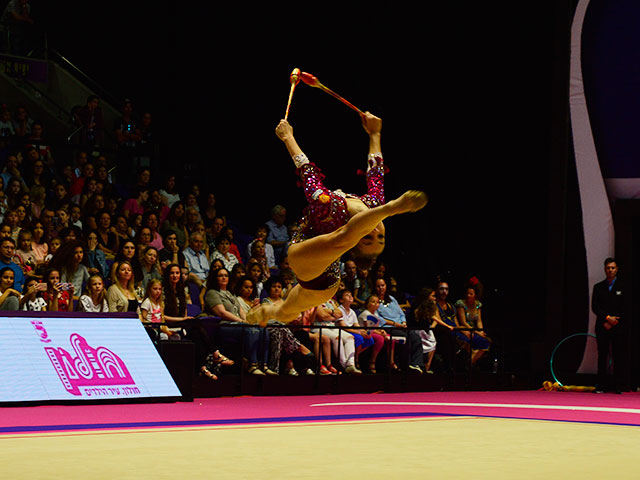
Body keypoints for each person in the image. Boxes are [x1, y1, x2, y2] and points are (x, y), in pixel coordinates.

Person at [247, 113, 427, 327]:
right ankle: (270, 311)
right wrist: (375, 134)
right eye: (380, 237)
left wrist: (288, 137)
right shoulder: (372, 205)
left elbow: (307, 172)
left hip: (308, 259)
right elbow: (376, 172)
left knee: (339, 239)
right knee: (287, 311)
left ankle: (275, 311)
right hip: (327, 277)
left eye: (367, 238)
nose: (375, 231)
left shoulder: (329, 208)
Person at [162, 263, 232, 380]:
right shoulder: (163, 291)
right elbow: (161, 316)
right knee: (195, 324)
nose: (175, 275)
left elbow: (184, 313)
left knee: (196, 334)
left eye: (177, 273)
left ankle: (202, 367)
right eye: (172, 273)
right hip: (167, 324)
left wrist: (184, 319)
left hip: (181, 324)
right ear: (167, 275)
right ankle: (215, 354)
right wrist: (182, 320)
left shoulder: (181, 291)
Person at [204, 267, 270, 375]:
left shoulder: (230, 293)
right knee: (249, 330)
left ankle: (264, 365)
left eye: (226, 275)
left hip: (238, 324)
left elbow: (240, 310)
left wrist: (246, 321)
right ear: (215, 278)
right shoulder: (212, 293)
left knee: (263, 330)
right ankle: (252, 365)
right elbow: (222, 313)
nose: (224, 278)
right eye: (221, 275)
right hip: (225, 325)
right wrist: (242, 322)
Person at [260, 276, 316, 375]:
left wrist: (295, 320)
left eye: (279, 286)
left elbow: (296, 318)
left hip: (287, 330)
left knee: (302, 334)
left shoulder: (286, 302)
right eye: (274, 286)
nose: (277, 288)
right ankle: (297, 349)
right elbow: (270, 318)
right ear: (269, 288)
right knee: (279, 330)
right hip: (271, 329)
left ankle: (304, 367)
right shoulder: (266, 301)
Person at [375, 277, 423, 373]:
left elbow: (401, 313)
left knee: (415, 336)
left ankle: (416, 364)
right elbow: (377, 318)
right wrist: (394, 324)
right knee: (404, 337)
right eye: (378, 286)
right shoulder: (374, 300)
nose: (381, 288)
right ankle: (405, 367)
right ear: (375, 288)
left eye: (383, 285)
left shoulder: (392, 299)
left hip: (400, 326)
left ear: (386, 286)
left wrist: (403, 322)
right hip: (388, 328)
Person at [592, 257, 625, 393]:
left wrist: (614, 321)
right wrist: (606, 319)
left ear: (617, 269)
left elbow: (625, 307)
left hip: (617, 326)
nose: (610, 270)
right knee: (602, 356)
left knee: (618, 356)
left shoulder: (623, 287)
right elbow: (595, 306)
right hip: (602, 326)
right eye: (608, 268)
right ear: (604, 269)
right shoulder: (598, 287)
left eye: (613, 268)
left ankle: (617, 386)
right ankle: (601, 385)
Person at [336, 288, 383, 372]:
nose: (350, 297)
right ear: (341, 300)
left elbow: (356, 325)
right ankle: (355, 360)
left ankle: (354, 356)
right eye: (347, 295)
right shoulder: (339, 310)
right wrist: (359, 332)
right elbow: (344, 327)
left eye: (351, 295)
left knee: (370, 339)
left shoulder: (352, 312)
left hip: (352, 331)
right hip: (343, 332)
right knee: (359, 338)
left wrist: (363, 332)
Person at [455, 277, 491, 366]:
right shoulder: (461, 304)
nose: (468, 295)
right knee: (470, 342)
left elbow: (479, 320)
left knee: (486, 342)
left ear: (475, 295)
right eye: (467, 293)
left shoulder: (478, 305)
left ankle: (469, 363)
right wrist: (477, 333)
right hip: (463, 329)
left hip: (474, 330)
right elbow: (463, 322)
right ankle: (467, 365)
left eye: (471, 294)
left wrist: (481, 331)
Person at [358, 294, 395, 373]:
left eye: (377, 302)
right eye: (373, 302)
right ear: (367, 303)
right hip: (366, 333)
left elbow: (377, 326)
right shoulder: (366, 313)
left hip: (375, 332)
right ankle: (372, 361)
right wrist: (380, 333)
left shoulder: (376, 314)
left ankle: (391, 362)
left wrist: (382, 331)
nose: (375, 304)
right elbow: (369, 329)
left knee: (391, 338)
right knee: (380, 339)